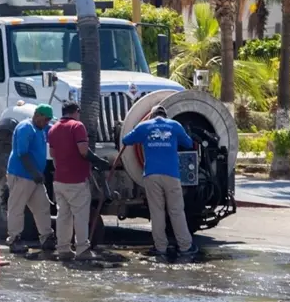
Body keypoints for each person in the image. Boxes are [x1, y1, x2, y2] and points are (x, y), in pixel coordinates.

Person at [121, 104, 199, 261]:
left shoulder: (144, 126)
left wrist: (139, 130)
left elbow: (126, 140)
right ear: (165, 115)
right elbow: (189, 143)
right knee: (176, 211)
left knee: (157, 212)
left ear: (151, 115)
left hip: (151, 175)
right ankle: (185, 247)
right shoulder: (174, 125)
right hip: (172, 175)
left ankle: (160, 248)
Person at [47, 102, 111, 261]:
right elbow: (83, 151)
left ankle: (63, 248)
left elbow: (53, 154)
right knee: (80, 216)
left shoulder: (53, 128)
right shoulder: (77, 126)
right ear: (76, 111)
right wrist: (98, 161)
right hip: (76, 180)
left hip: (59, 180)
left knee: (63, 215)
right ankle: (82, 249)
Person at [5, 104, 56, 254]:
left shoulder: (41, 128)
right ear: (37, 115)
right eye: (45, 119)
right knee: (17, 208)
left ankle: (47, 237)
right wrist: (35, 173)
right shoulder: (26, 128)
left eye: (48, 120)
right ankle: (14, 239)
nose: (46, 122)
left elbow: (52, 129)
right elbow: (23, 153)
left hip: (34, 177)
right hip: (21, 174)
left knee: (42, 206)